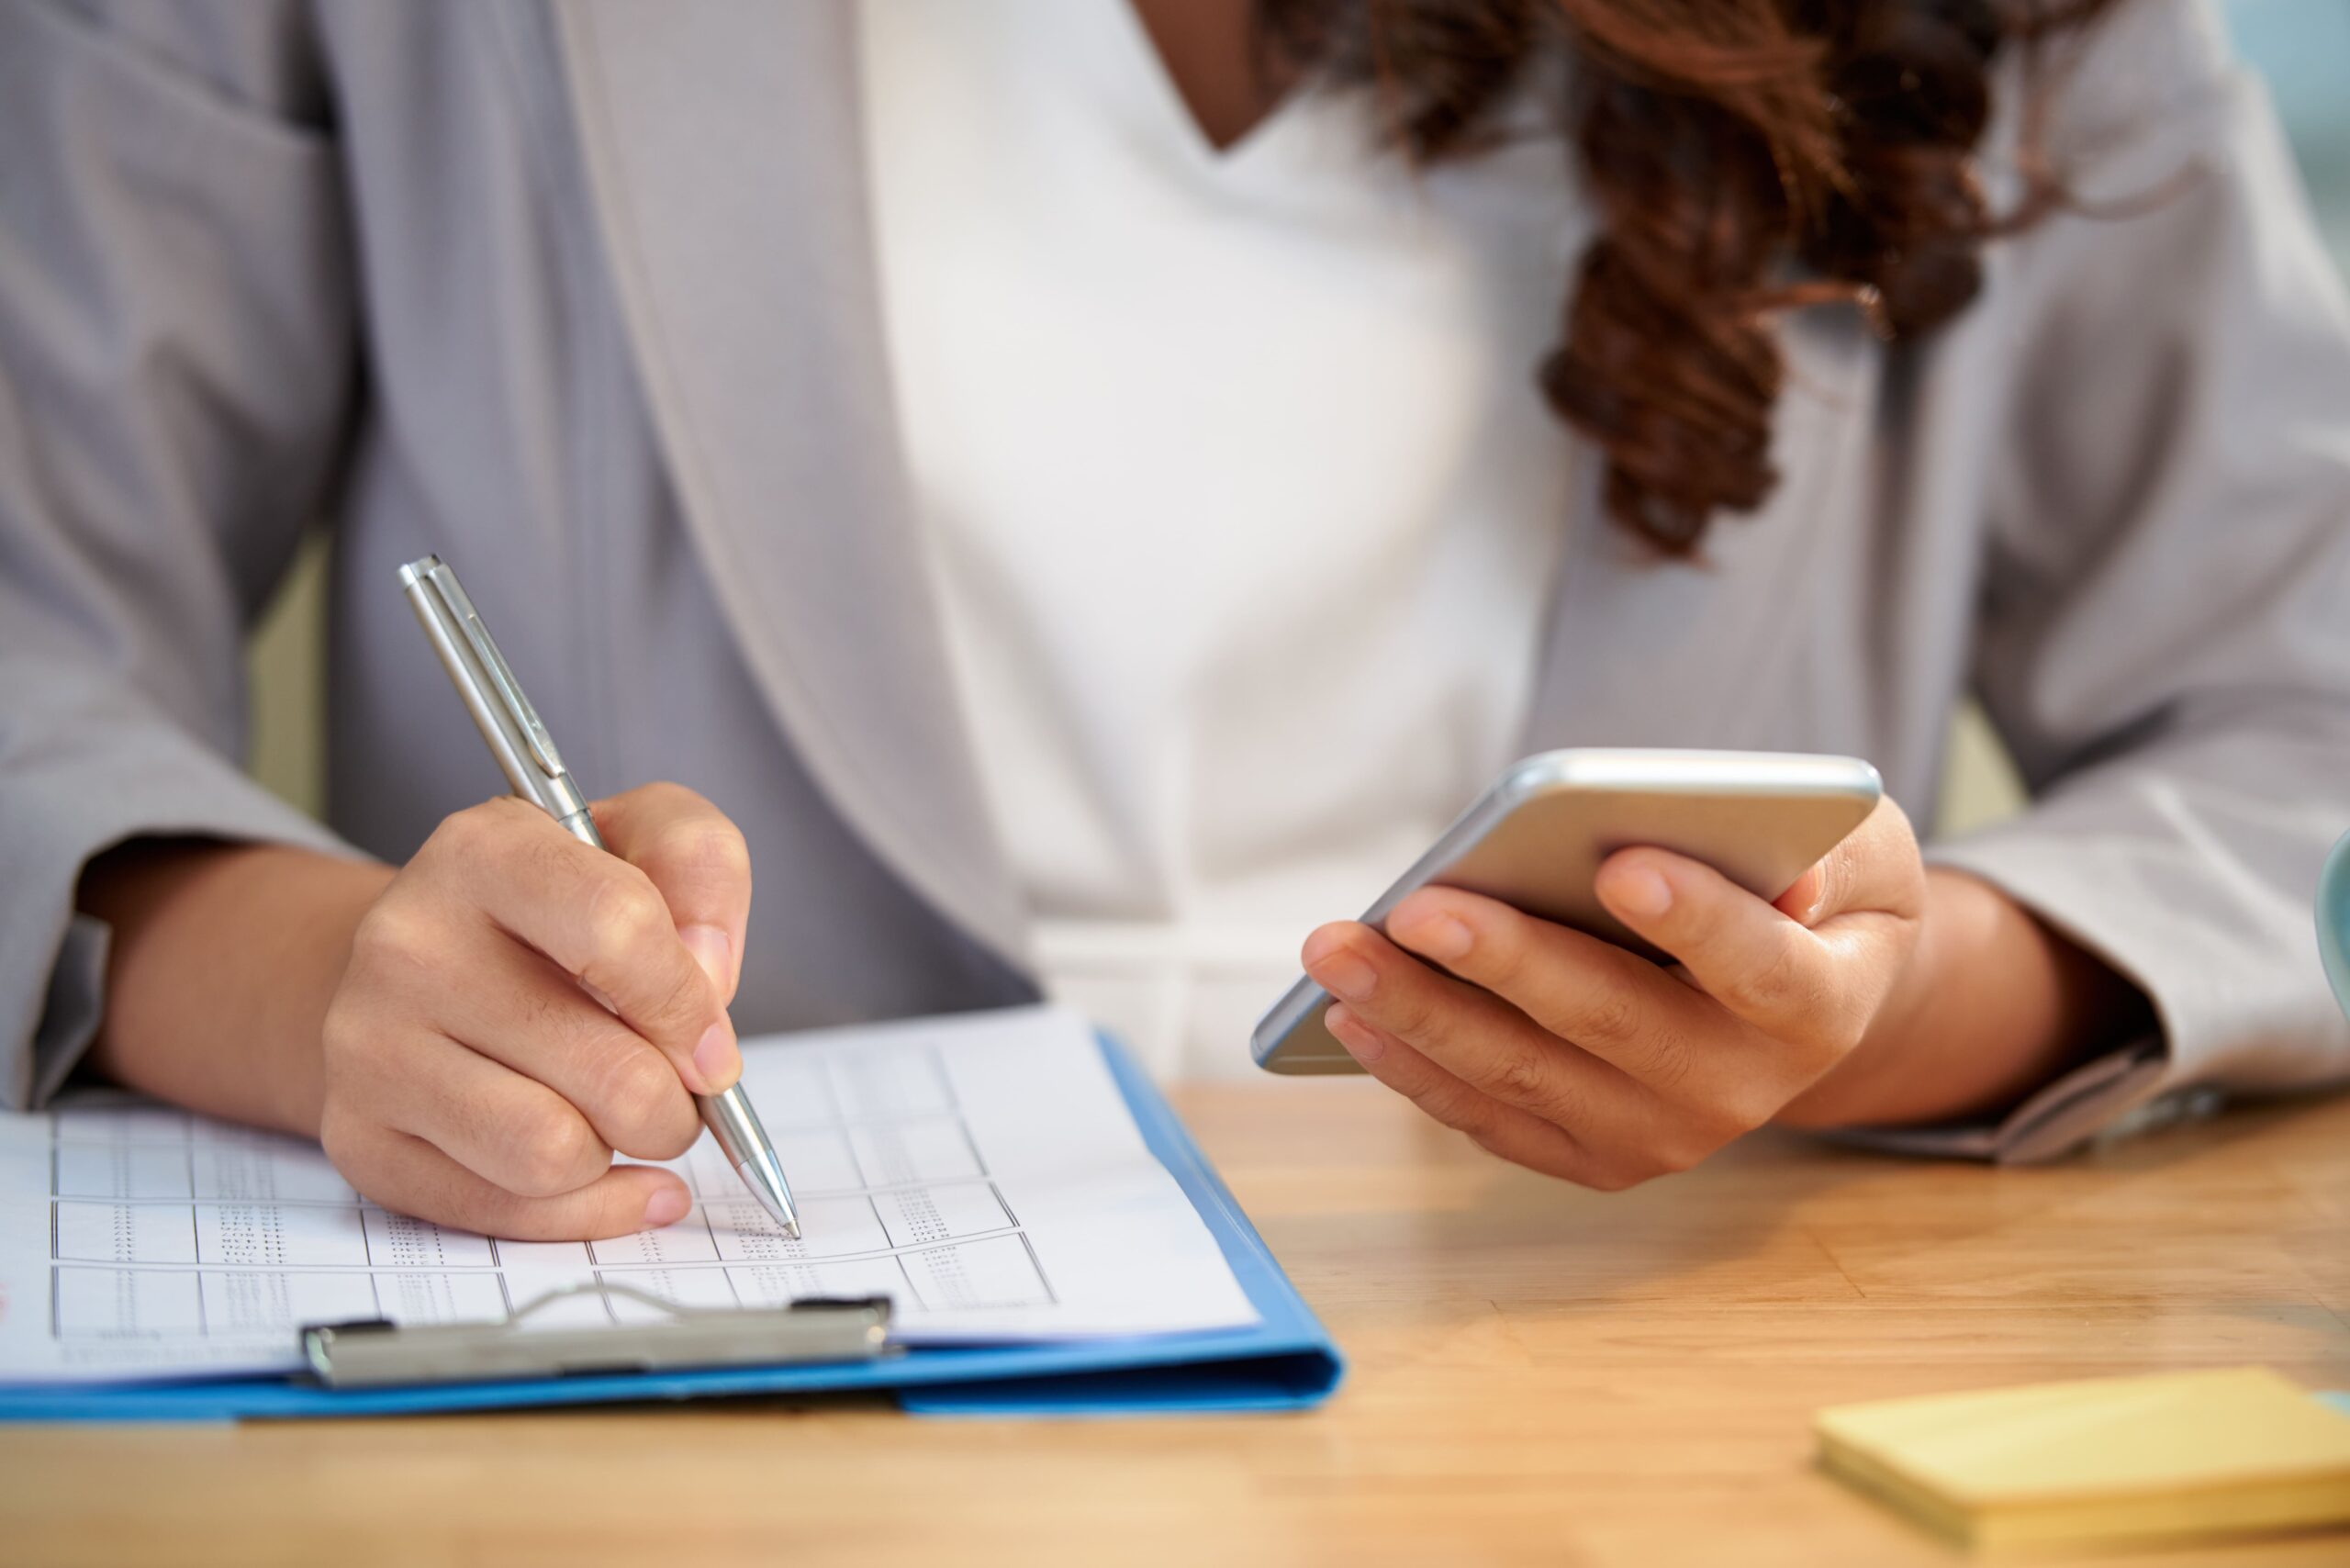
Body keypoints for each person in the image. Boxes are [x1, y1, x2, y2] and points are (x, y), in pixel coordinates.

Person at [3, 0, 2345, 1241]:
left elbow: (2294, 705)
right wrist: (341, 993)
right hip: (682, 1395)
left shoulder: (2041, 23)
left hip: (1642, 1407)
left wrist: (1880, 1008)